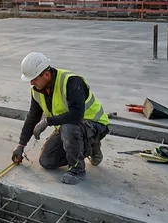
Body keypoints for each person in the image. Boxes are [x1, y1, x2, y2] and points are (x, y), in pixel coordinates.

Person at [11, 52, 109, 184]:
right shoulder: (37, 90)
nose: (31, 83)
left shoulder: (72, 81)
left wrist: (48, 121)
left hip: (95, 124)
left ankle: (77, 170)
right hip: (69, 129)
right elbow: (32, 117)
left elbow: (76, 115)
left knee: (68, 127)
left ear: (46, 74)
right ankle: (90, 148)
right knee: (47, 161)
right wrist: (21, 145)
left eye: (34, 79)